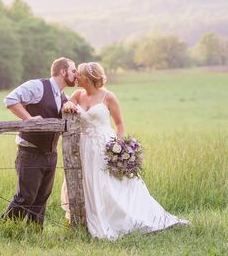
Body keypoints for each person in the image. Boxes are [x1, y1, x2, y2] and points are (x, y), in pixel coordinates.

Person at [62, 62, 189, 240]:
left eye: (79, 75)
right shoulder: (76, 94)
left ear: (88, 79)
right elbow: (66, 104)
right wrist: (67, 103)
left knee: (110, 185)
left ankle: (120, 219)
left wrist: (119, 150)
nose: (76, 77)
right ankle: (87, 221)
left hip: (105, 146)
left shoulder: (108, 96)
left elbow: (119, 124)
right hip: (83, 147)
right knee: (88, 183)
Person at [0, 57, 77, 229]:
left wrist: (71, 102)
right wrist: (29, 119)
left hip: (51, 153)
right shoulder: (38, 86)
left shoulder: (63, 95)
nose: (76, 75)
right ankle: (4, 228)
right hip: (30, 151)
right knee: (25, 197)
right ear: (63, 72)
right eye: (73, 70)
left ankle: (35, 232)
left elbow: (72, 106)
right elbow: (10, 100)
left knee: (42, 197)